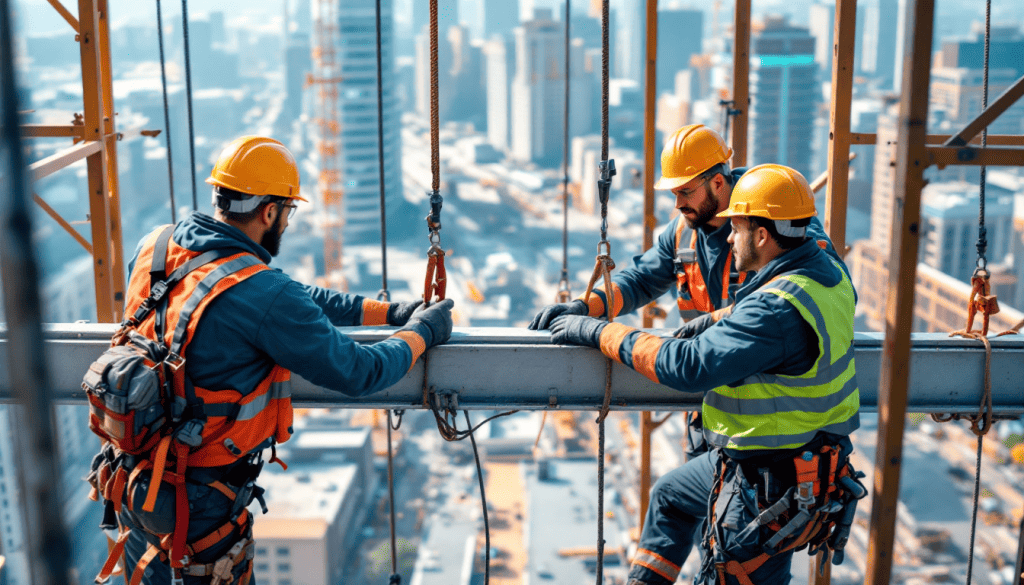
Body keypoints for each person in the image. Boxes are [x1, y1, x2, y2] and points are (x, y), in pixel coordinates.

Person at [87, 136, 454, 584]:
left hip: (133, 483)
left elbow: (291, 297)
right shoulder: (261, 294)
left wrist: (388, 313)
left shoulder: (156, 247)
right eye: (287, 212)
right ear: (269, 212)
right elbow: (360, 371)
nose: (287, 222)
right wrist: (422, 333)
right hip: (199, 504)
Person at [547, 164, 862, 585]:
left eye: (738, 227)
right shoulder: (825, 274)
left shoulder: (774, 309)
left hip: (767, 480)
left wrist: (598, 331)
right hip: (789, 461)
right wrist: (723, 315)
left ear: (763, 235)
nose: (730, 238)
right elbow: (643, 276)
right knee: (671, 496)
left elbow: (689, 365)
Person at [529, 124, 847, 459]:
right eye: (674, 194)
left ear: (718, 182)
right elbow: (640, 279)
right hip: (714, 404)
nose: (678, 204)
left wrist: (723, 316)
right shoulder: (685, 230)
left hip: (770, 421)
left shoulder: (773, 215)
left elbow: (816, 281)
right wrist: (585, 307)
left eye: (685, 192)